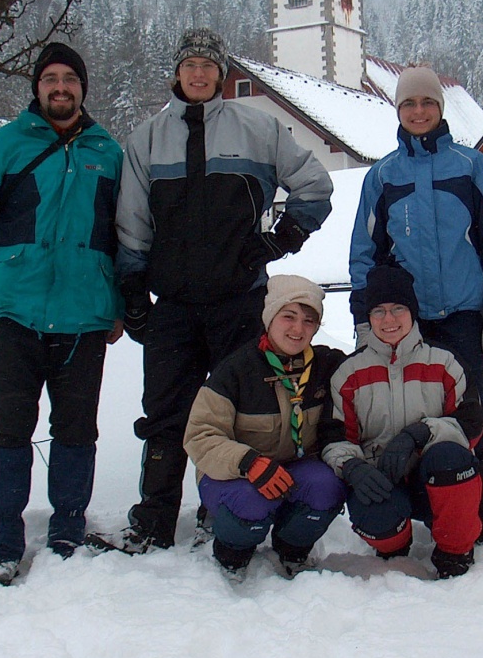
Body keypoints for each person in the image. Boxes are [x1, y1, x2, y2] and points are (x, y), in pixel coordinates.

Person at [115, 28, 334, 552]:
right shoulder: (146, 139)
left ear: (221, 74)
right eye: (189, 64)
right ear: (176, 73)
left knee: (240, 413)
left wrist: (279, 241)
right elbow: (131, 222)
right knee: (166, 412)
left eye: (208, 66)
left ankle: (222, 507)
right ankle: (153, 519)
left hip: (239, 301)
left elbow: (315, 186)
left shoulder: (258, 129)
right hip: (173, 304)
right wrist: (132, 291)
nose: (198, 74)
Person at [0, 42, 124, 585]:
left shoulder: (108, 152)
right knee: (10, 430)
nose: (60, 87)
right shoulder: (4, 146)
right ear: (37, 88)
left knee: (75, 431)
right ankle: (3, 541)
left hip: (84, 317)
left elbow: (126, 237)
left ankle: (68, 530)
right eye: (51, 79)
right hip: (13, 313)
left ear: (83, 88)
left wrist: (117, 306)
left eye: (70, 78)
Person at [348, 65, 483, 542]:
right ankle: (416, 505)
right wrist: (365, 318)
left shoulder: (471, 167)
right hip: (405, 324)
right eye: (408, 104)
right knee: (405, 415)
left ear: (440, 109)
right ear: (397, 110)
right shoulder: (383, 176)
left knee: (469, 415)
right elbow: (365, 254)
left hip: (462, 315)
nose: (418, 112)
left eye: (427, 103)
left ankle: (479, 514)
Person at [321, 265, 483, 579]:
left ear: (412, 312)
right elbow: (334, 435)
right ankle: (394, 549)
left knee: (452, 459)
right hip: (383, 479)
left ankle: (455, 551)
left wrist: (421, 433)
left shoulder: (445, 361)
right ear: (368, 317)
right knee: (373, 509)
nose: (389, 319)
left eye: (398, 309)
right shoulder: (349, 372)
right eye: (379, 311)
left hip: (434, 478)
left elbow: (472, 423)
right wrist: (352, 467)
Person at [183, 276, 348, 579]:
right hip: (235, 476)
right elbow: (200, 435)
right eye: (289, 317)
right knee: (252, 501)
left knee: (328, 486)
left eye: (309, 321)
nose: (298, 329)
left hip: (293, 469)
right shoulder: (236, 370)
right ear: (270, 317)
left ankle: (292, 548)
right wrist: (247, 462)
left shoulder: (326, 366)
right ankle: (233, 551)